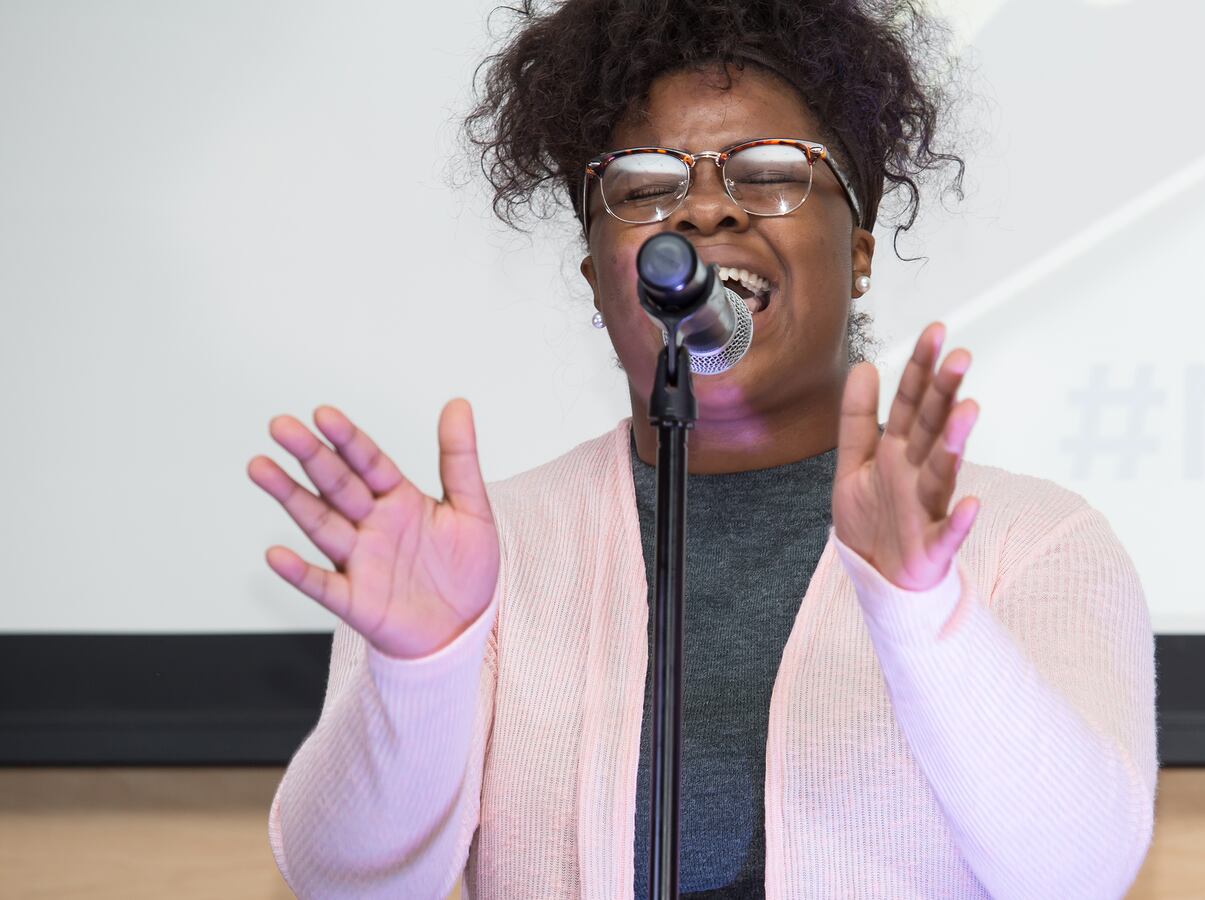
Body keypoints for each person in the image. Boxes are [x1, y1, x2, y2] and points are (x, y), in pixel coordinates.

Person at [250, 0, 1157, 896]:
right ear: (598, 275)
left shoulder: (1033, 542)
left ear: (861, 251)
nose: (710, 210)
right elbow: (345, 882)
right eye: (646, 187)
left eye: (771, 173)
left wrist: (925, 613)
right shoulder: (480, 558)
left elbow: (1076, 875)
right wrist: (422, 669)